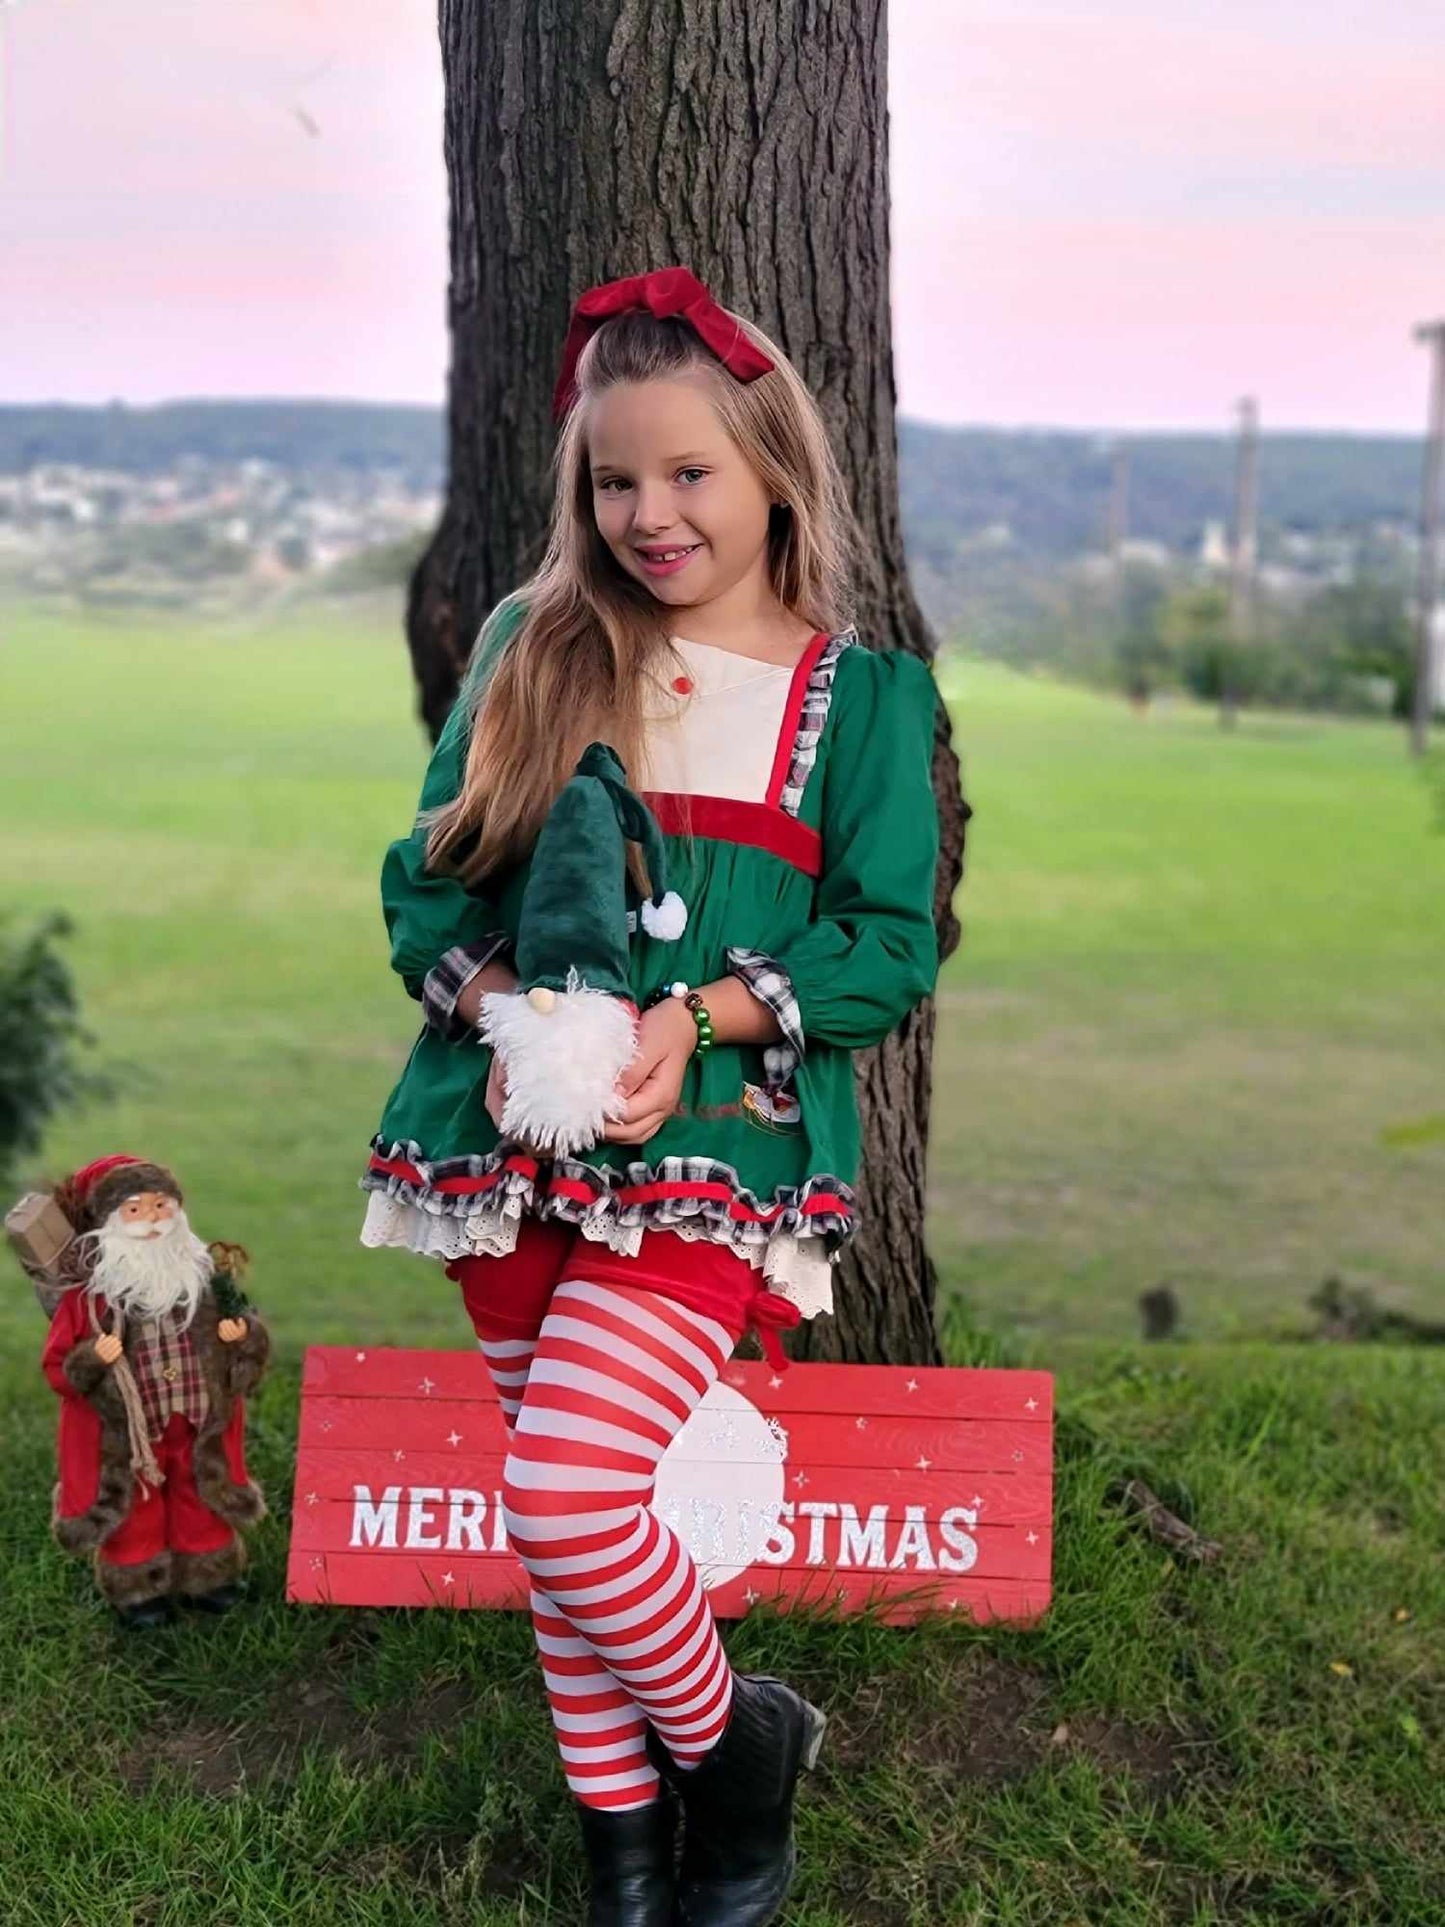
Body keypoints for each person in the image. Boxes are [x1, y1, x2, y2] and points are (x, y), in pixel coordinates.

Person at [359, 267, 942, 1926]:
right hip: (508, 1134)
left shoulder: (862, 701)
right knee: (555, 1503)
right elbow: (425, 885)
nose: (647, 513)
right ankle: (625, 1848)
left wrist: (695, 1017)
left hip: (716, 1153)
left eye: (687, 473)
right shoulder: (533, 648)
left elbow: (885, 945)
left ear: (771, 467)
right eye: (614, 479)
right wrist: (497, 1005)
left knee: (562, 1485)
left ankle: (736, 1748)